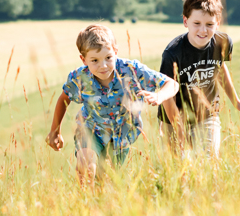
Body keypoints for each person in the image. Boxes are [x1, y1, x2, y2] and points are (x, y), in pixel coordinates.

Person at [46, 24, 179, 182]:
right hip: (90, 128)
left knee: (104, 180)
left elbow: (171, 84)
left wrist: (159, 96)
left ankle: (99, 203)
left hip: (121, 135)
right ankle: (86, 203)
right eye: (94, 60)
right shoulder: (79, 77)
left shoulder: (132, 70)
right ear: (83, 59)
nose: (103, 66)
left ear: (115, 52)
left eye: (108, 58)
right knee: (86, 166)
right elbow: (64, 99)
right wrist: (55, 131)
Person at [158, 0, 240, 157]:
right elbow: (167, 96)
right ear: (185, 21)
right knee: (179, 168)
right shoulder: (173, 53)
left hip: (206, 113)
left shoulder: (222, 43)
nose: (203, 30)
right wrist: (179, 130)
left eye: (209, 24)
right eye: (196, 23)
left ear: (217, 23)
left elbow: (219, 69)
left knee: (207, 161)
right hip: (173, 117)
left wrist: (236, 101)